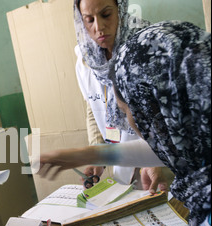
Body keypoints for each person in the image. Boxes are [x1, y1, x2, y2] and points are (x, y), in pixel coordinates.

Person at [40, 21, 211, 226]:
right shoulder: (199, 139)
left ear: (157, 108)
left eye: (125, 110)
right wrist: (89, 153)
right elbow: (165, 146)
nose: (128, 123)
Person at [73, 0, 172, 190]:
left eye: (106, 15)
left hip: (161, 164)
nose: (99, 27)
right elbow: (93, 107)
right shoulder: (86, 61)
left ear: (121, 10)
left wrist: (153, 159)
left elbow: (168, 113)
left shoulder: (148, 48)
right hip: (123, 169)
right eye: (89, 20)